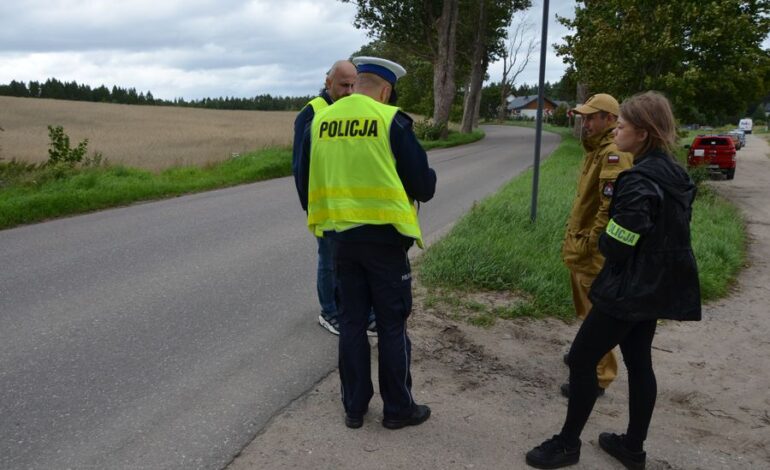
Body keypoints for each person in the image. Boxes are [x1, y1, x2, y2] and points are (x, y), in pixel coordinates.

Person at [525, 91, 701, 469]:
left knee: (582, 359)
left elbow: (622, 239)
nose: (617, 132)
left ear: (642, 133)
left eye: (622, 126)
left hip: (628, 288)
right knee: (639, 364)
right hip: (658, 286)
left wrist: (604, 241)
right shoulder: (675, 172)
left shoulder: (636, 179)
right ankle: (632, 447)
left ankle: (567, 444)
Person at [297, 56, 437, 430]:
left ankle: (354, 408)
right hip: (385, 241)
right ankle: (397, 410)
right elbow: (423, 186)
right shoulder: (391, 120)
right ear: (387, 90)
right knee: (392, 324)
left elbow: (307, 175)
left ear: (357, 82)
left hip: (341, 239)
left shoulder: (321, 120)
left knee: (352, 323)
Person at [291, 60, 376, 336]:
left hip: (349, 204)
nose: (350, 91)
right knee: (328, 258)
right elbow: (300, 166)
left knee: (350, 258)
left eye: (354, 85)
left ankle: (351, 307)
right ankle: (328, 311)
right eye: (343, 85)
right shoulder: (313, 112)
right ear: (328, 83)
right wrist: (310, 206)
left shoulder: (350, 109)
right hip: (324, 204)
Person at [560, 93, 633, 398]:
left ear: (610, 119)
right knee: (586, 308)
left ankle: (599, 376)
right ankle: (585, 355)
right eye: (584, 118)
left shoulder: (613, 152)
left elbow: (610, 203)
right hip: (580, 244)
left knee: (597, 315)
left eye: (592, 118)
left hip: (592, 249)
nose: (586, 123)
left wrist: (594, 241)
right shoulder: (595, 149)